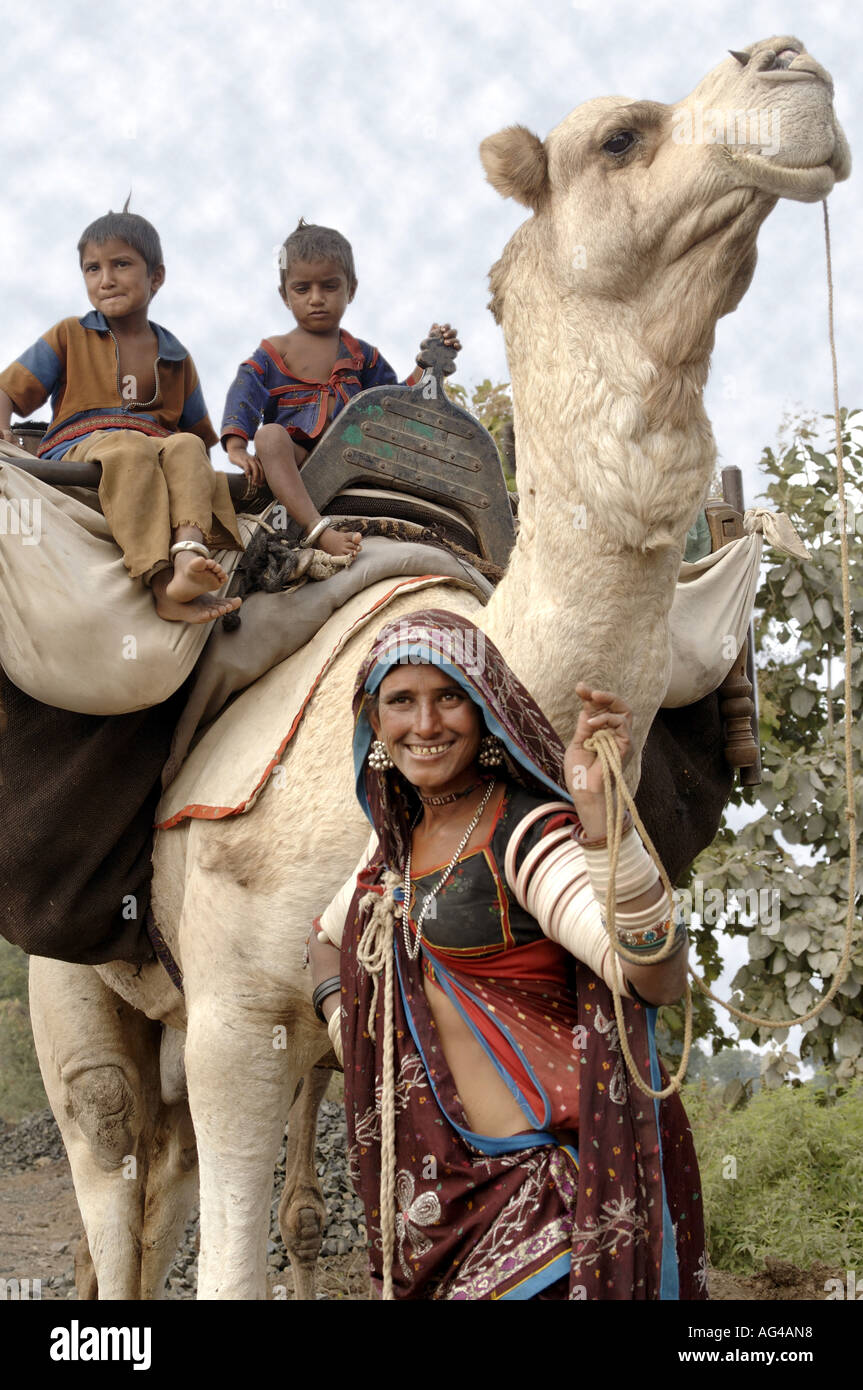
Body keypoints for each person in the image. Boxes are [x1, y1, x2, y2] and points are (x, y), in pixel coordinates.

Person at [309, 609, 707, 1301]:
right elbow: (325, 939)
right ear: (373, 725)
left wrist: (605, 827)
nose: (425, 724)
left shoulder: (524, 836)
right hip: (437, 1213)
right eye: (401, 701)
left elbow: (653, 977)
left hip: (544, 1211)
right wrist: (356, 1035)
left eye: (449, 697)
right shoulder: (390, 855)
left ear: (485, 707)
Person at [0, 206, 243, 625]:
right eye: (92, 269)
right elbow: (8, 389)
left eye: (121, 264)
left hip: (157, 445)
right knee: (130, 447)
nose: (106, 279)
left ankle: (188, 555)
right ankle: (160, 580)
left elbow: (197, 436)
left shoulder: (175, 355)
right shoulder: (70, 334)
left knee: (184, 447)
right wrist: (3, 432)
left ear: (156, 277)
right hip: (84, 446)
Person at [220, 219, 459, 559]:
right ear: (284, 296)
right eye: (302, 289)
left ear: (352, 289)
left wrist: (428, 363)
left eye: (329, 287)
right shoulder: (274, 352)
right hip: (298, 458)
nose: (316, 299)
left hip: (353, 454)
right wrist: (236, 445)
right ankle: (317, 529)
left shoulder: (364, 356)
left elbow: (392, 404)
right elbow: (245, 390)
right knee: (270, 437)